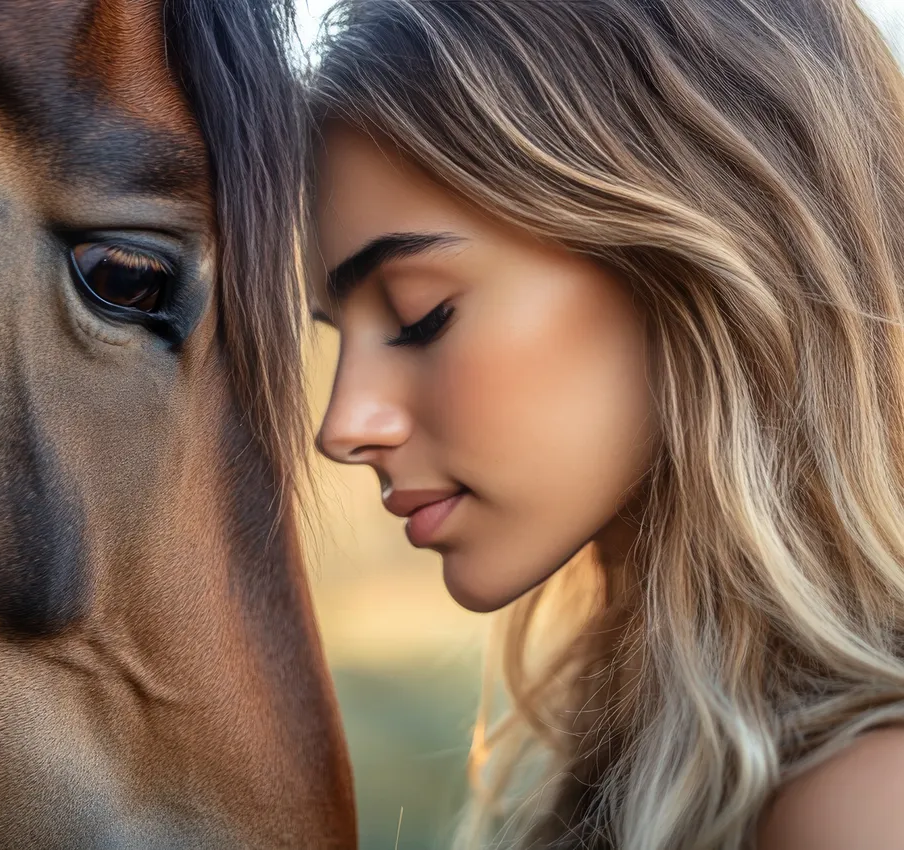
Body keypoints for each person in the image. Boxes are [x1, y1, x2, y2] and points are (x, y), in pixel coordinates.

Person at [305, 0, 904, 847]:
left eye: (420, 315)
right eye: (336, 334)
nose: (342, 425)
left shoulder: (860, 808)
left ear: (690, 259)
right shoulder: (635, 753)